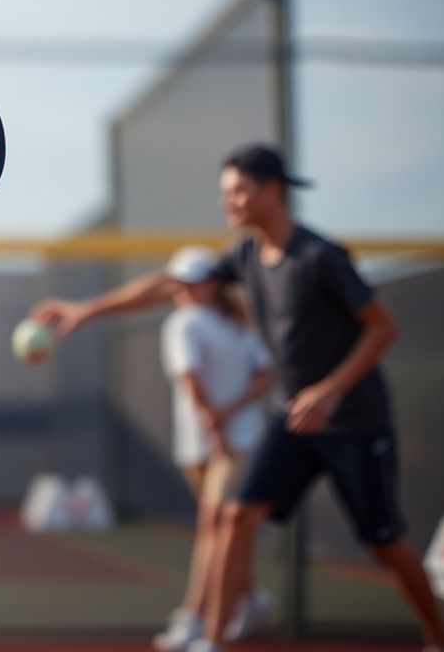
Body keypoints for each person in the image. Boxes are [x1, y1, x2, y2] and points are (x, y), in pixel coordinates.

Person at [32, 144, 444, 652]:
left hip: (353, 423)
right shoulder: (243, 256)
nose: (229, 202)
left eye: (239, 191)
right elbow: (168, 284)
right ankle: (214, 641)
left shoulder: (320, 257)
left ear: (272, 191)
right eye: (225, 193)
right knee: (236, 516)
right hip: (294, 420)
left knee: (383, 545)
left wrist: (329, 391)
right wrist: (87, 310)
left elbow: (383, 327)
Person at [153, 245, 274, 651]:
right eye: (179, 283)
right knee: (225, 532)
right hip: (198, 445)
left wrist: (223, 418)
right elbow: (193, 380)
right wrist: (217, 419)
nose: (183, 289)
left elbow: (263, 374)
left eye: (192, 282)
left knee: (214, 528)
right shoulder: (188, 322)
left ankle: (194, 620)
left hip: (235, 441)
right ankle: (251, 599)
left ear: (211, 284)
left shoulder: (229, 324)